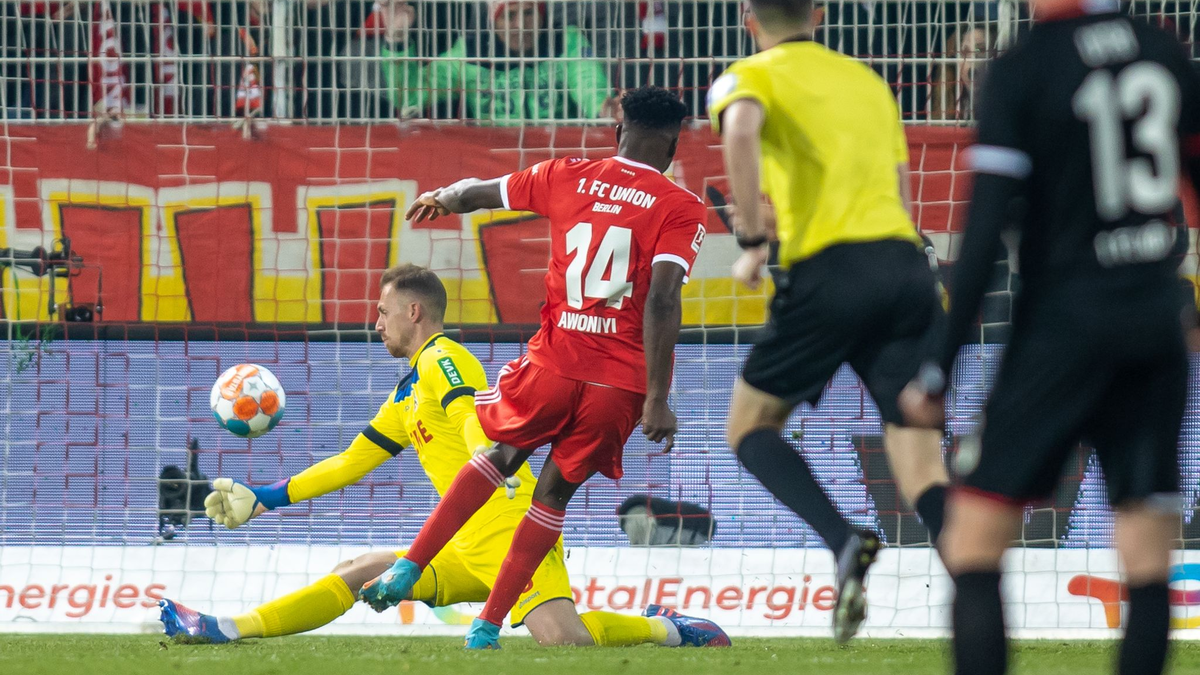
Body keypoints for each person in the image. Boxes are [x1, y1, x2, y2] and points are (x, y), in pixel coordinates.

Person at [159, 264, 715, 649]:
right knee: (355, 572)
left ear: (414, 311)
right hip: (460, 543)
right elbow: (353, 460)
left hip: (505, 528)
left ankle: (667, 628)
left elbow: (474, 420)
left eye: (382, 312)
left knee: (563, 641)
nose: (375, 324)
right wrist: (267, 498)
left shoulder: (444, 357)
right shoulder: (405, 395)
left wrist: (491, 467)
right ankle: (227, 627)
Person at [357, 86, 726, 650]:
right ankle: (486, 628)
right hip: (618, 382)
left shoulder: (568, 174)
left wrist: (442, 196)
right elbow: (663, 299)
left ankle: (410, 566)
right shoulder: (681, 207)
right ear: (673, 144)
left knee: (499, 457)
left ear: (617, 132)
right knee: (552, 497)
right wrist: (657, 397)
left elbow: (482, 192)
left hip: (554, 362)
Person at [899, 0, 1200, 672]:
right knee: (1148, 554)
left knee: (974, 542)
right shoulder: (1163, 47)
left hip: (1061, 330)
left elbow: (982, 237)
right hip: (1154, 324)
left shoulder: (1023, 67)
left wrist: (937, 366)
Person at [708, 0, 951, 643]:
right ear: (819, 12)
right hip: (905, 267)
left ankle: (843, 541)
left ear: (746, 17)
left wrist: (756, 241)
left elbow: (738, 132)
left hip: (829, 272)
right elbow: (900, 185)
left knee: (749, 427)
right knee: (920, 458)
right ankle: (978, 581)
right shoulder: (868, 82)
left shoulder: (750, 75)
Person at [424, 0, 612, 123]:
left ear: (542, 15)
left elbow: (587, 79)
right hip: (492, 160)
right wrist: (396, 43)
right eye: (510, 15)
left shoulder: (566, 42)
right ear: (493, 21)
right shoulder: (469, 53)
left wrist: (602, 107)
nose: (521, 26)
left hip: (553, 157)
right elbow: (410, 96)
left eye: (529, 13)